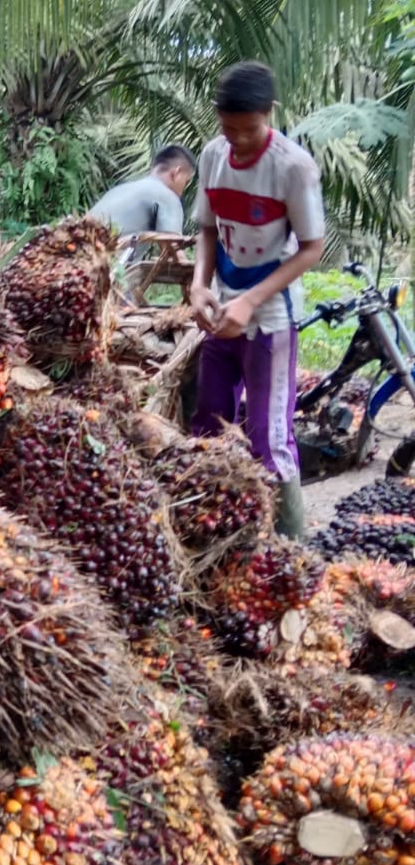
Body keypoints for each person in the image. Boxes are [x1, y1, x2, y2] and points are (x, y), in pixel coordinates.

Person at [189, 61, 324, 541]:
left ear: (271, 113)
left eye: (250, 129)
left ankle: (290, 549)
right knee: (208, 424)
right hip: (222, 309)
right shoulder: (211, 155)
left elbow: (312, 249)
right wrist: (199, 284)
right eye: (229, 128)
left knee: (269, 439)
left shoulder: (293, 167)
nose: (239, 139)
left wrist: (250, 302)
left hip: (270, 315)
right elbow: (207, 228)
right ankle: (214, 537)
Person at [88, 144, 196, 246]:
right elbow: (173, 250)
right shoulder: (167, 196)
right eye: (186, 181)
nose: (183, 188)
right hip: (111, 263)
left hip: (79, 253)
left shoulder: (118, 190)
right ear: (176, 172)